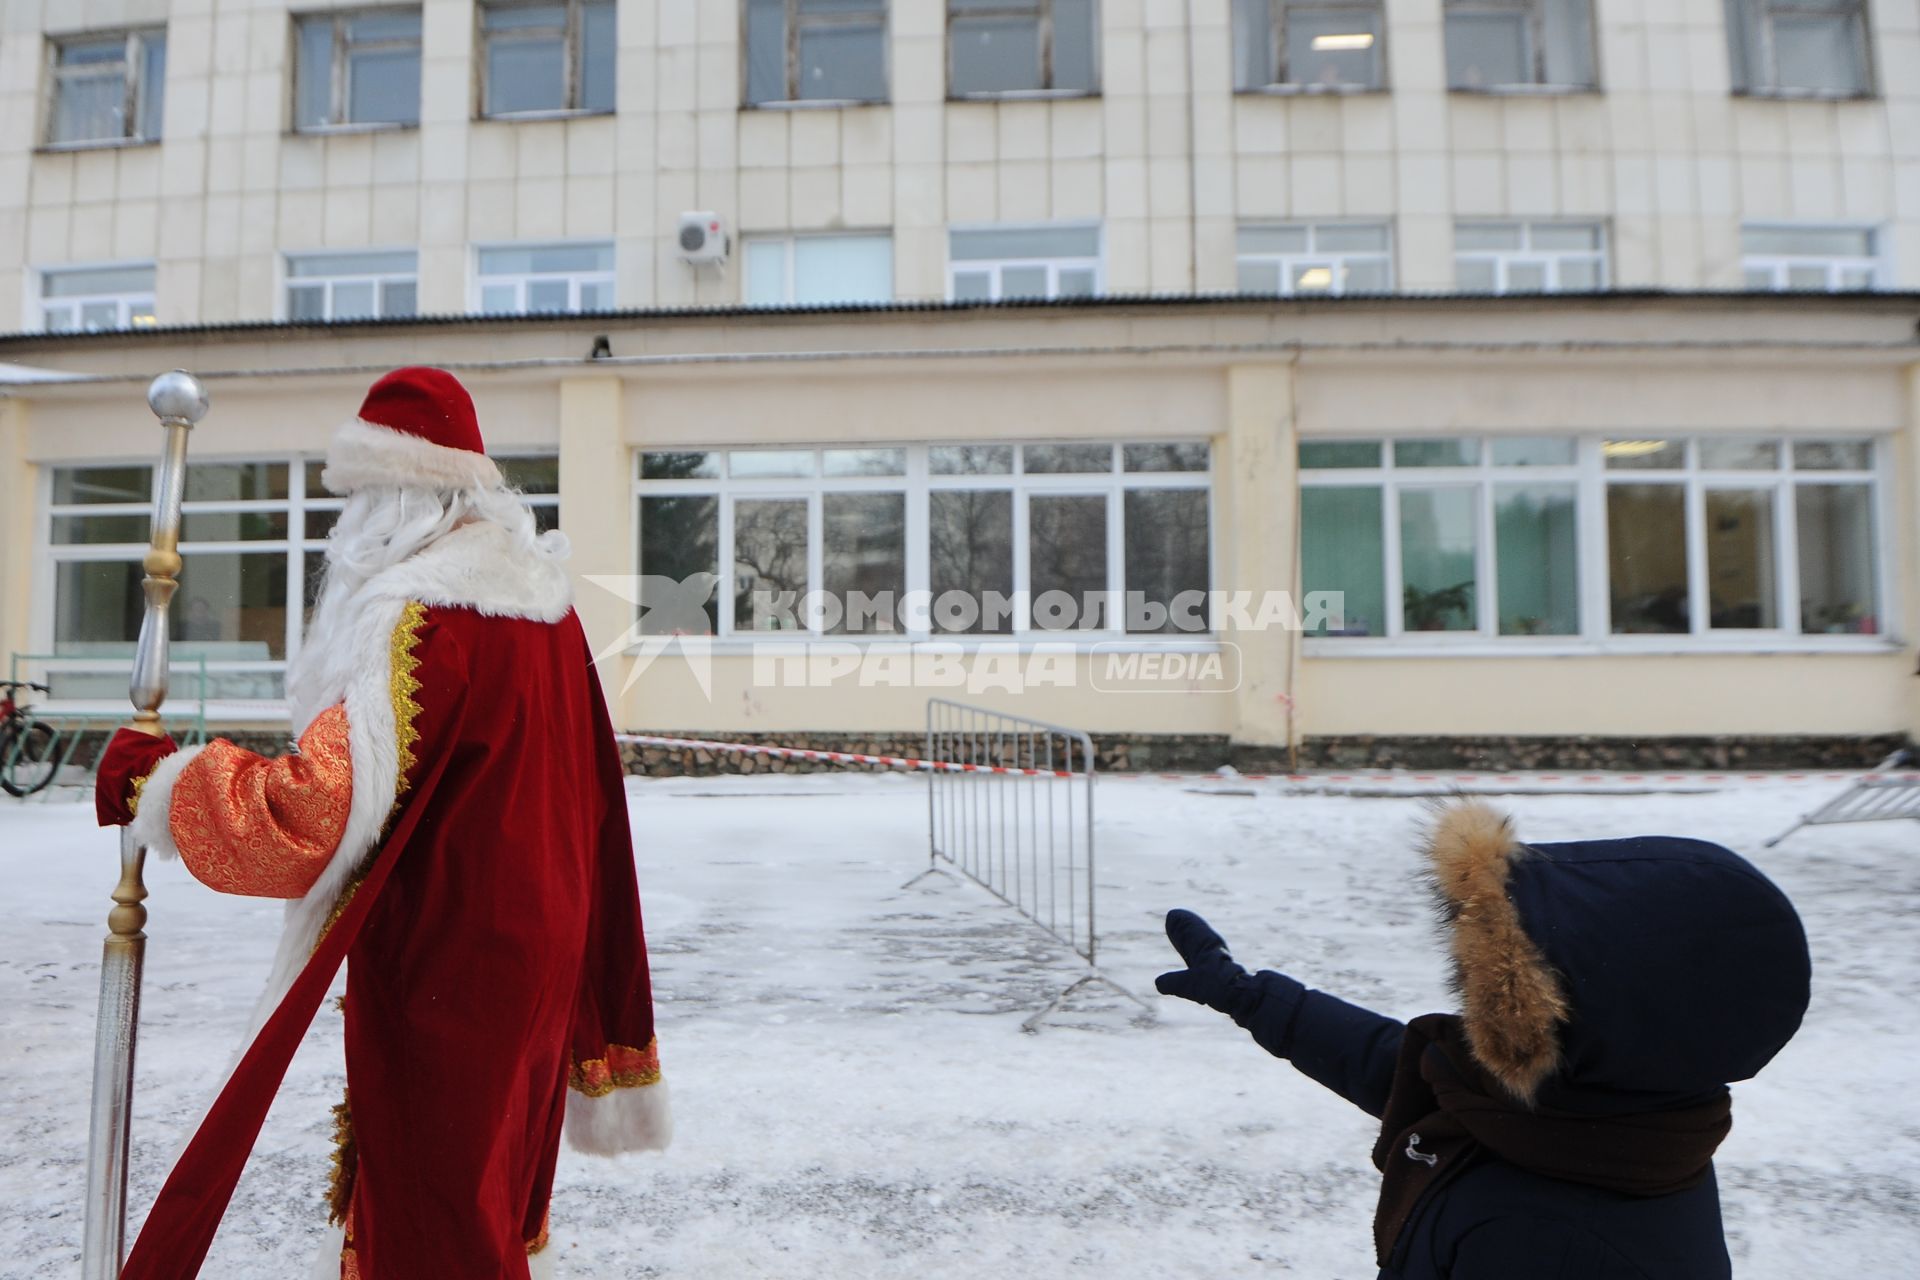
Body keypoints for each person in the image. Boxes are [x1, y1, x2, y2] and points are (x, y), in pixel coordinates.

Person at [94, 366, 669, 1280]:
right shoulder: (544, 606)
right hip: (536, 949)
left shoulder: (422, 620)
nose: (346, 529)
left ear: (403, 495)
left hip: (452, 962)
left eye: (360, 500)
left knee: (436, 1215)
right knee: (491, 1191)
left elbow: (310, 812)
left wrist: (159, 786)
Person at [1154, 798, 1810, 1279]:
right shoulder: (1613, 1117)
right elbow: (1414, 1069)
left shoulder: (1554, 1239)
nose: (1473, 999)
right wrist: (1255, 999)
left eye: (1502, 993)